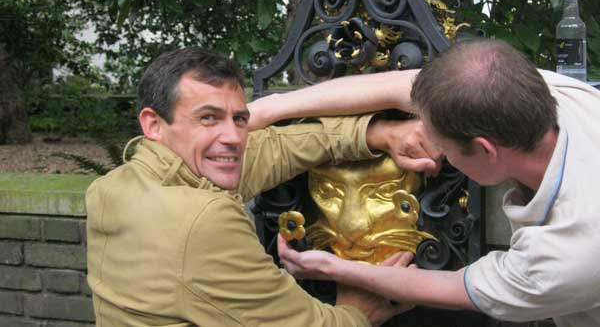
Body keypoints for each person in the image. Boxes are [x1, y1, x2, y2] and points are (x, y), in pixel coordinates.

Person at [249, 39, 600, 327]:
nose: (434, 153)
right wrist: (270, 109)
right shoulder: (556, 96)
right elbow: (394, 87)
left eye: (443, 149)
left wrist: (332, 268)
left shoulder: (571, 252)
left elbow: (454, 287)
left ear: (485, 150)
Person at [85, 46, 421, 327]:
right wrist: (357, 310)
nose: (233, 138)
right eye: (208, 118)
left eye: (240, 118)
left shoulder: (112, 187)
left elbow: (275, 149)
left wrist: (377, 133)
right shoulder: (203, 219)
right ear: (154, 124)